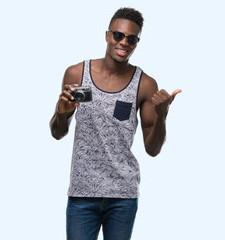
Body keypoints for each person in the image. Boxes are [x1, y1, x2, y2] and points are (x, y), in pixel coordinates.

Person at [50, 7, 181, 240]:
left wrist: (162, 116)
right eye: (118, 35)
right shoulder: (77, 74)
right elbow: (57, 133)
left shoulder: (145, 84)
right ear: (107, 35)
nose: (124, 42)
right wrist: (61, 114)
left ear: (137, 42)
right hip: (82, 195)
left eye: (132, 39)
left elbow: (152, 149)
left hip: (123, 197)